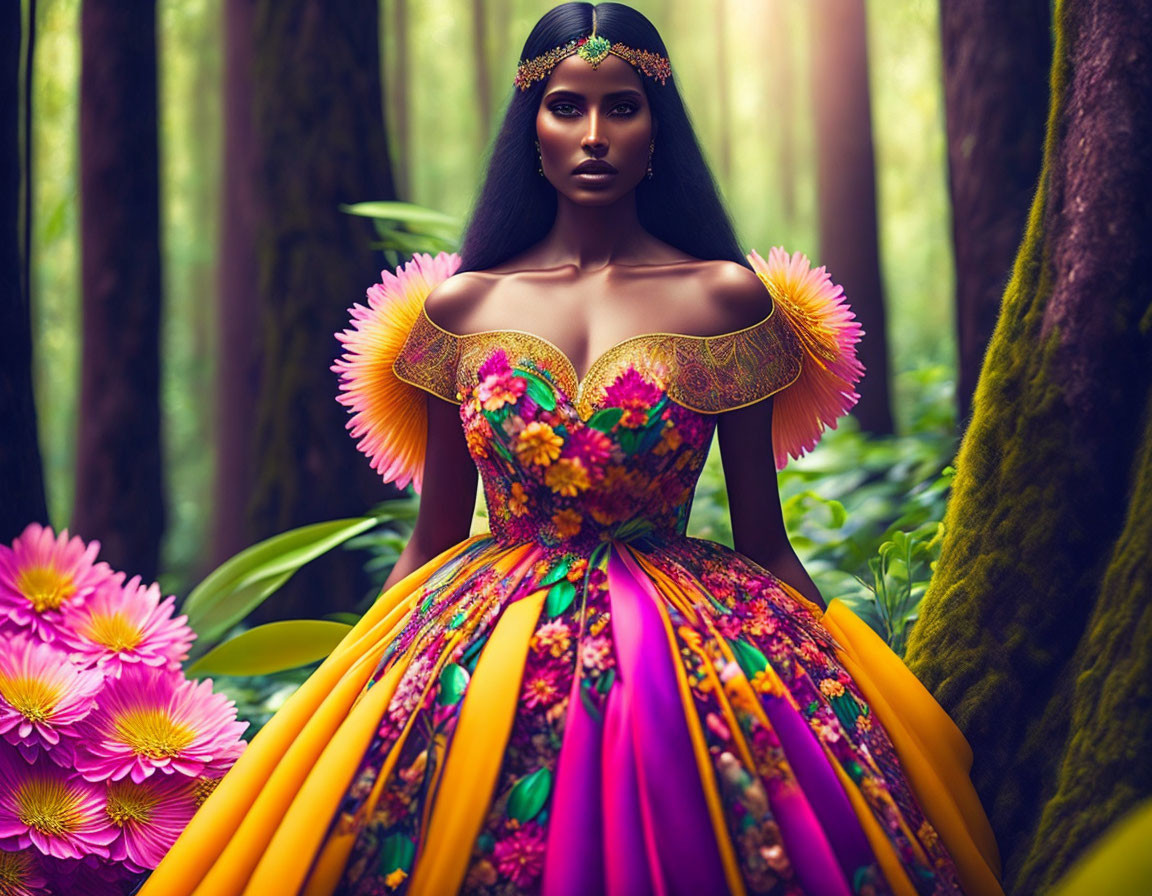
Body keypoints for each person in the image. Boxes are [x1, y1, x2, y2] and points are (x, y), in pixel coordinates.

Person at [143, 3, 1003, 894]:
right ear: (532, 128)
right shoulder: (461, 309)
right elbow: (433, 533)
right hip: (480, 633)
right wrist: (352, 687)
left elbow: (765, 536)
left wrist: (842, 692)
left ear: (657, 126)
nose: (594, 135)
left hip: (684, 649)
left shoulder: (727, 300)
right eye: (567, 106)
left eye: (622, 106)